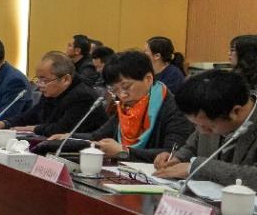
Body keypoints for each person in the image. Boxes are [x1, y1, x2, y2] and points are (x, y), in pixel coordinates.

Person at [51, 50, 193, 162]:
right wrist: (69, 138)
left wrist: (124, 152)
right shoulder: (126, 107)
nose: (122, 95)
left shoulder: (174, 108)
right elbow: (98, 136)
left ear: (148, 79)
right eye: (115, 90)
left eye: (126, 87)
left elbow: (172, 154)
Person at [153, 69, 257, 188]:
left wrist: (196, 168)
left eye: (208, 127)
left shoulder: (218, 108)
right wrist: (177, 158)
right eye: (195, 125)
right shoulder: (210, 113)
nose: (201, 131)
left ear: (236, 111)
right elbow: (192, 147)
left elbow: (254, 176)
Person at [0, 51, 107, 135]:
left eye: (44, 80)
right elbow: (32, 114)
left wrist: (33, 128)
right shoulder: (52, 92)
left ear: (65, 79)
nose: (39, 85)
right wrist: (5, 123)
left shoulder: (83, 97)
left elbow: (62, 130)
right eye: (38, 79)